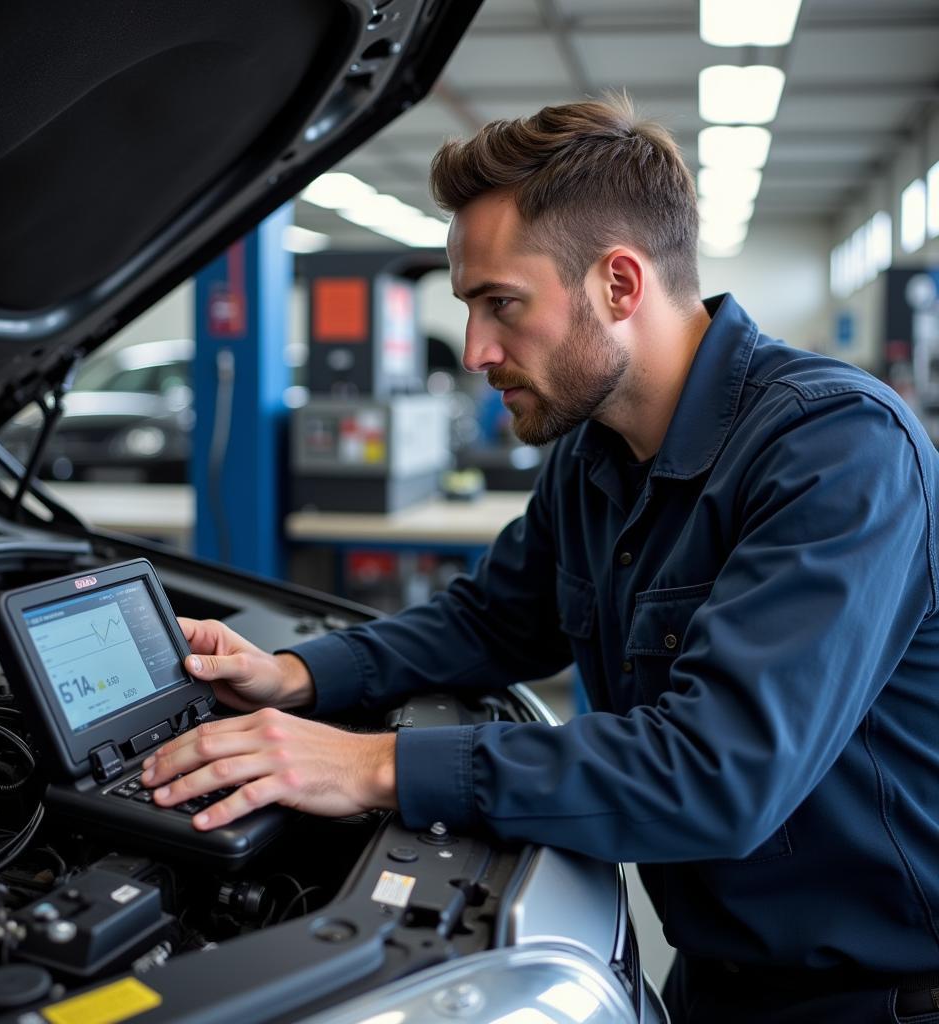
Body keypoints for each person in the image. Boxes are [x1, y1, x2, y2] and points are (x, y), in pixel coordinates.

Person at [140, 96, 939, 1023]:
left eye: (501, 304)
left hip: (876, 999)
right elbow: (493, 620)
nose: (476, 350)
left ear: (620, 285)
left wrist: (369, 766)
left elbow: (713, 773)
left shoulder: (837, 448)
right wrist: (291, 676)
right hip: (721, 973)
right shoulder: (593, 452)